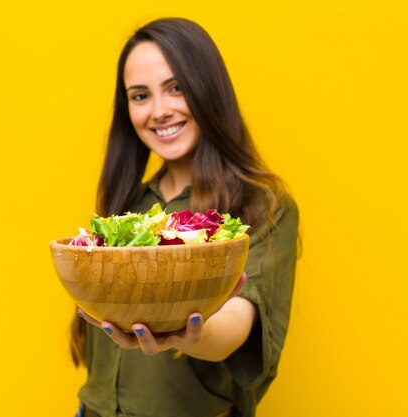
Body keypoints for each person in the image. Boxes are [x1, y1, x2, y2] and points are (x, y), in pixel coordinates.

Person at [72, 17, 299, 417]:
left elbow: (237, 327)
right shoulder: (129, 208)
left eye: (176, 88)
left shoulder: (262, 206)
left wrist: (182, 331)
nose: (159, 111)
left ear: (208, 90)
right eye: (140, 96)